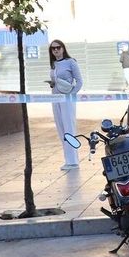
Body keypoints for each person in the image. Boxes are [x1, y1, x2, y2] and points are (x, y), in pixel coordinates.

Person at [48, 40, 82, 170]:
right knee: (61, 128)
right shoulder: (53, 64)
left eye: (58, 47)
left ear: (63, 48)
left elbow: (79, 81)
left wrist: (71, 95)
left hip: (67, 99)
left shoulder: (71, 62)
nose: (56, 50)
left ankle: (73, 161)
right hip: (55, 98)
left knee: (69, 128)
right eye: (53, 48)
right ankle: (68, 159)